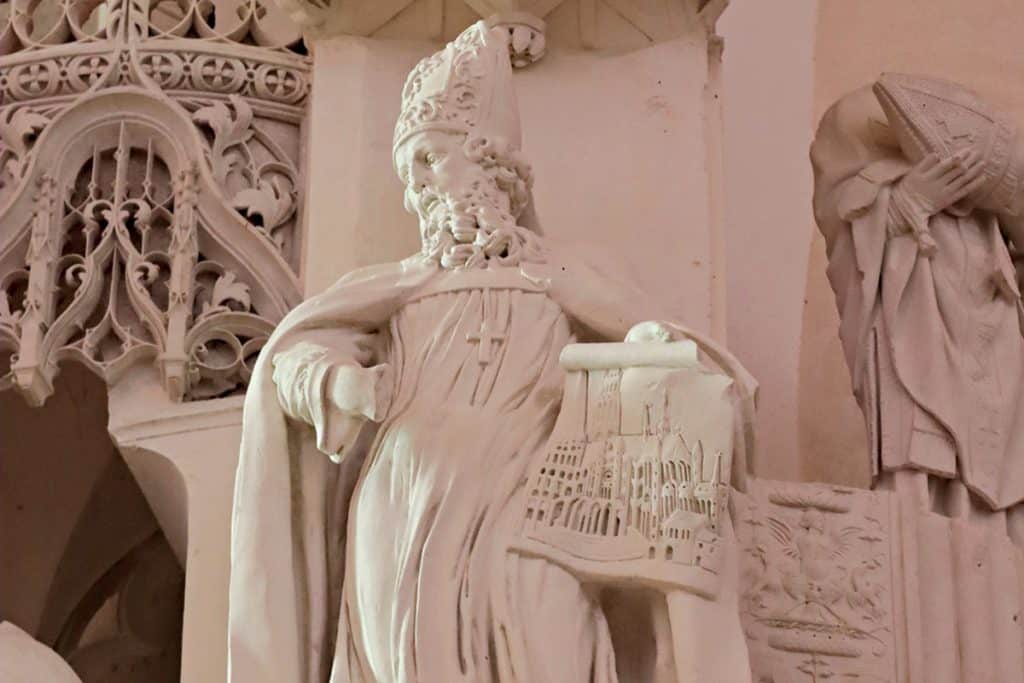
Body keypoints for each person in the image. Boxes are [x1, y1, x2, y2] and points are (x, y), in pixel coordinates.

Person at [227, 20, 754, 683]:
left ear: (488, 161)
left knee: (552, 648)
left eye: (431, 156)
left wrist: (653, 354)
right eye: (407, 166)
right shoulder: (398, 288)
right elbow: (291, 355)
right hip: (404, 506)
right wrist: (337, 384)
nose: (415, 183)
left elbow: (700, 379)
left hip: (535, 516)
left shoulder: (570, 280)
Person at [811, 79, 1024, 527]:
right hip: (913, 329)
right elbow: (846, 241)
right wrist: (907, 203)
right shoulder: (859, 169)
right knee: (922, 462)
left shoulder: (983, 202)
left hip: (988, 332)